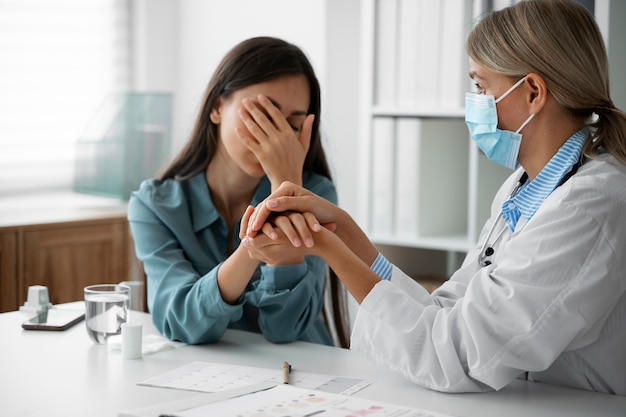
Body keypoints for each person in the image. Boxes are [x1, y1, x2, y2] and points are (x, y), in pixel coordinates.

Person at [242, 0, 626, 395]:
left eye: (480, 85)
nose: (472, 99)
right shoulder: (521, 188)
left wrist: (327, 249)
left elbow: (458, 355)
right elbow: (447, 313)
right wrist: (343, 232)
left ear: (532, 92)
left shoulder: (590, 204)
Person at [128, 36, 349, 347]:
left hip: (300, 375)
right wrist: (254, 245)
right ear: (217, 107)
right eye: (263, 116)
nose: (277, 138)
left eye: (293, 125)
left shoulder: (315, 194)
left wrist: (286, 187)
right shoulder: (155, 205)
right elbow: (179, 321)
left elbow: (287, 328)